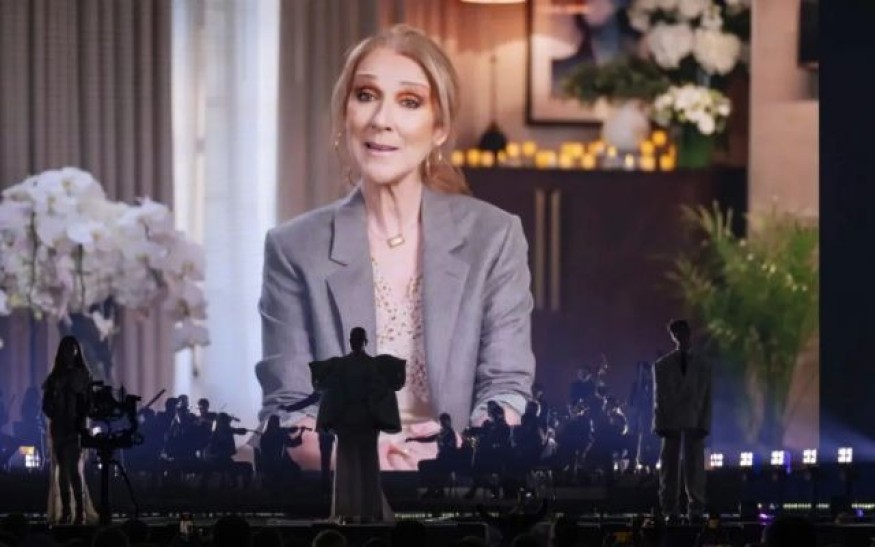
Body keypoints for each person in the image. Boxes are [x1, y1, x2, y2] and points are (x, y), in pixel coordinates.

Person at [255, 23, 535, 471]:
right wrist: (358, 457)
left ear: (439, 128)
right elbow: (286, 408)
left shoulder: (495, 237)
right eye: (366, 95)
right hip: (342, 486)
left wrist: (461, 449)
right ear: (345, 114)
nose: (381, 119)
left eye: (409, 101)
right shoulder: (293, 249)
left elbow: (506, 388)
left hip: (458, 484)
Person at [310, 327, 405, 523]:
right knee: (348, 465)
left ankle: (367, 511)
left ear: (364, 341)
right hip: (348, 422)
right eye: (354, 339)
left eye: (359, 339)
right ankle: (349, 510)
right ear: (351, 341)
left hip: (366, 421)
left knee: (366, 465)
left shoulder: (370, 365)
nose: (356, 342)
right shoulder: (344, 365)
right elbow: (330, 388)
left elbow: (382, 388)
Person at [652, 319, 712, 522]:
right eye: (676, 333)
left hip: (694, 419)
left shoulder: (703, 365)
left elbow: (707, 397)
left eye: (683, 332)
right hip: (671, 421)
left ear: (688, 333)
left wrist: (704, 424)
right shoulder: (662, 366)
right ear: (673, 336)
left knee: (694, 466)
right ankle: (670, 509)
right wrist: (659, 424)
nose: (681, 337)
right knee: (669, 467)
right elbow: (658, 398)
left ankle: (696, 508)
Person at [40, 336, 94, 525]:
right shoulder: (54, 377)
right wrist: (54, 409)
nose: (70, 353)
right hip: (59, 428)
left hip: (75, 427)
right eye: (67, 349)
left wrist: (80, 417)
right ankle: (68, 511)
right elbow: (46, 404)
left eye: (73, 349)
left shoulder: (83, 375)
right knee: (63, 469)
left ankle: (77, 511)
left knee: (71, 469)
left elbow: (89, 402)